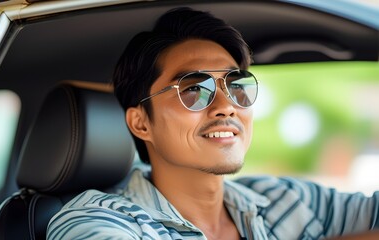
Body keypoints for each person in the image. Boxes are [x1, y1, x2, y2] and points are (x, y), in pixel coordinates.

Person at [47, 7, 379, 240]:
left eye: (236, 85)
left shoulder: (284, 199)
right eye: (193, 89)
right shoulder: (93, 219)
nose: (226, 106)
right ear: (141, 123)